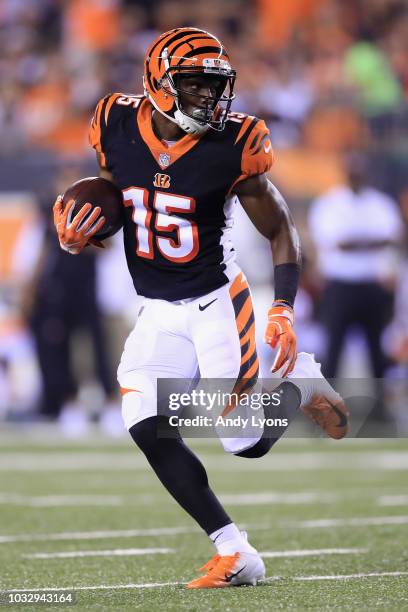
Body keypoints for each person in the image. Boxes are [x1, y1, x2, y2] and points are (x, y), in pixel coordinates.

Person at [53, 28, 348, 589]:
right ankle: (236, 552)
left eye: (215, 87)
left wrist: (282, 308)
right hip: (156, 308)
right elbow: (119, 194)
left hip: (216, 302)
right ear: (159, 85)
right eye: (193, 86)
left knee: (242, 442)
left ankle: (298, 384)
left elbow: (280, 228)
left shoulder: (235, 142)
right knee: (144, 423)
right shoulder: (114, 121)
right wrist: (84, 234)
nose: (209, 100)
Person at [308, 153, 403, 380]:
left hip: (372, 284)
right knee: (334, 347)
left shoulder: (381, 203)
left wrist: (355, 242)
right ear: (346, 172)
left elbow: (393, 238)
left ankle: (379, 406)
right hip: (340, 285)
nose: (356, 175)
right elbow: (336, 243)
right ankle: (327, 404)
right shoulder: (330, 203)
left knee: (376, 349)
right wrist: (372, 242)